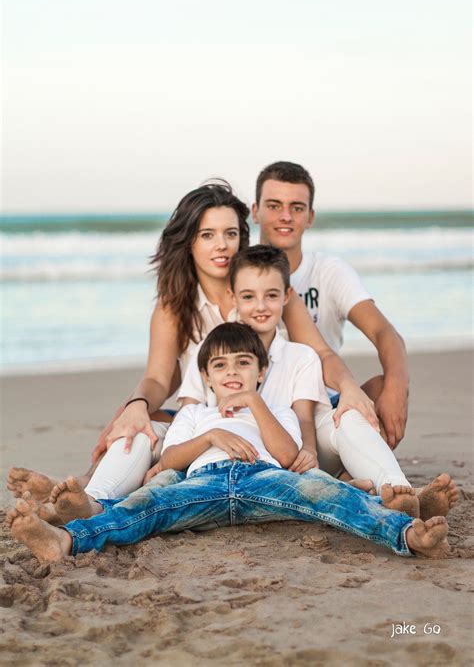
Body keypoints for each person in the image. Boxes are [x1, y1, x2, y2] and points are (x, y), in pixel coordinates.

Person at [7, 181, 378, 507]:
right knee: (139, 425)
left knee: (353, 411)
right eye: (207, 235)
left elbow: (321, 352)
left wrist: (348, 388)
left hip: (280, 425)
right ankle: (87, 494)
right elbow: (158, 377)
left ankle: (383, 488)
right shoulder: (175, 304)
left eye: (231, 234)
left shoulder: (263, 293)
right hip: (210, 421)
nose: (222, 246)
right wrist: (135, 406)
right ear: (189, 243)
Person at [7, 323, 449, 562]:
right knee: (140, 511)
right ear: (206, 377)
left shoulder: (273, 409)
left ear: (261, 372)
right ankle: (62, 542)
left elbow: (288, 456)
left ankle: (408, 534)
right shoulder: (195, 413)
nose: (232, 372)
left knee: (326, 494)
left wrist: (255, 403)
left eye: (244, 363)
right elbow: (172, 460)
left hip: (264, 480)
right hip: (203, 484)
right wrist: (212, 436)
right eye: (220, 366)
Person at [175, 246, 458, 520]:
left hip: (296, 452)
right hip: (242, 465)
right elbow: (189, 419)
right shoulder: (211, 354)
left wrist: (309, 450)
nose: (260, 306)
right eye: (248, 297)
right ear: (232, 296)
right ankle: (358, 490)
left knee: (348, 418)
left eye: (271, 295)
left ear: (287, 296)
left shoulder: (301, 355)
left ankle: (399, 490)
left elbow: (305, 419)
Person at [252, 161, 409, 449]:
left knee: (382, 386)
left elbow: (385, 334)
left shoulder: (328, 271)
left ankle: (352, 476)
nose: (285, 216)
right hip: (259, 415)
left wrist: (397, 390)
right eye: (274, 205)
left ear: (309, 217)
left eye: (296, 208)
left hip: (322, 409)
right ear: (255, 211)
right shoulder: (240, 274)